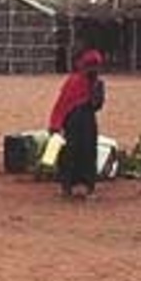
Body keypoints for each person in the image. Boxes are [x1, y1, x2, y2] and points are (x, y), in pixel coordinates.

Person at [49, 49, 106, 199]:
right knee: (74, 152)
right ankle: (72, 187)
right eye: (92, 66)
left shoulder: (95, 83)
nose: (94, 70)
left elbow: (96, 105)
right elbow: (63, 104)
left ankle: (80, 187)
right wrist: (56, 125)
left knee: (84, 152)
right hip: (74, 121)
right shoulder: (75, 82)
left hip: (83, 121)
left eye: (96, 67)